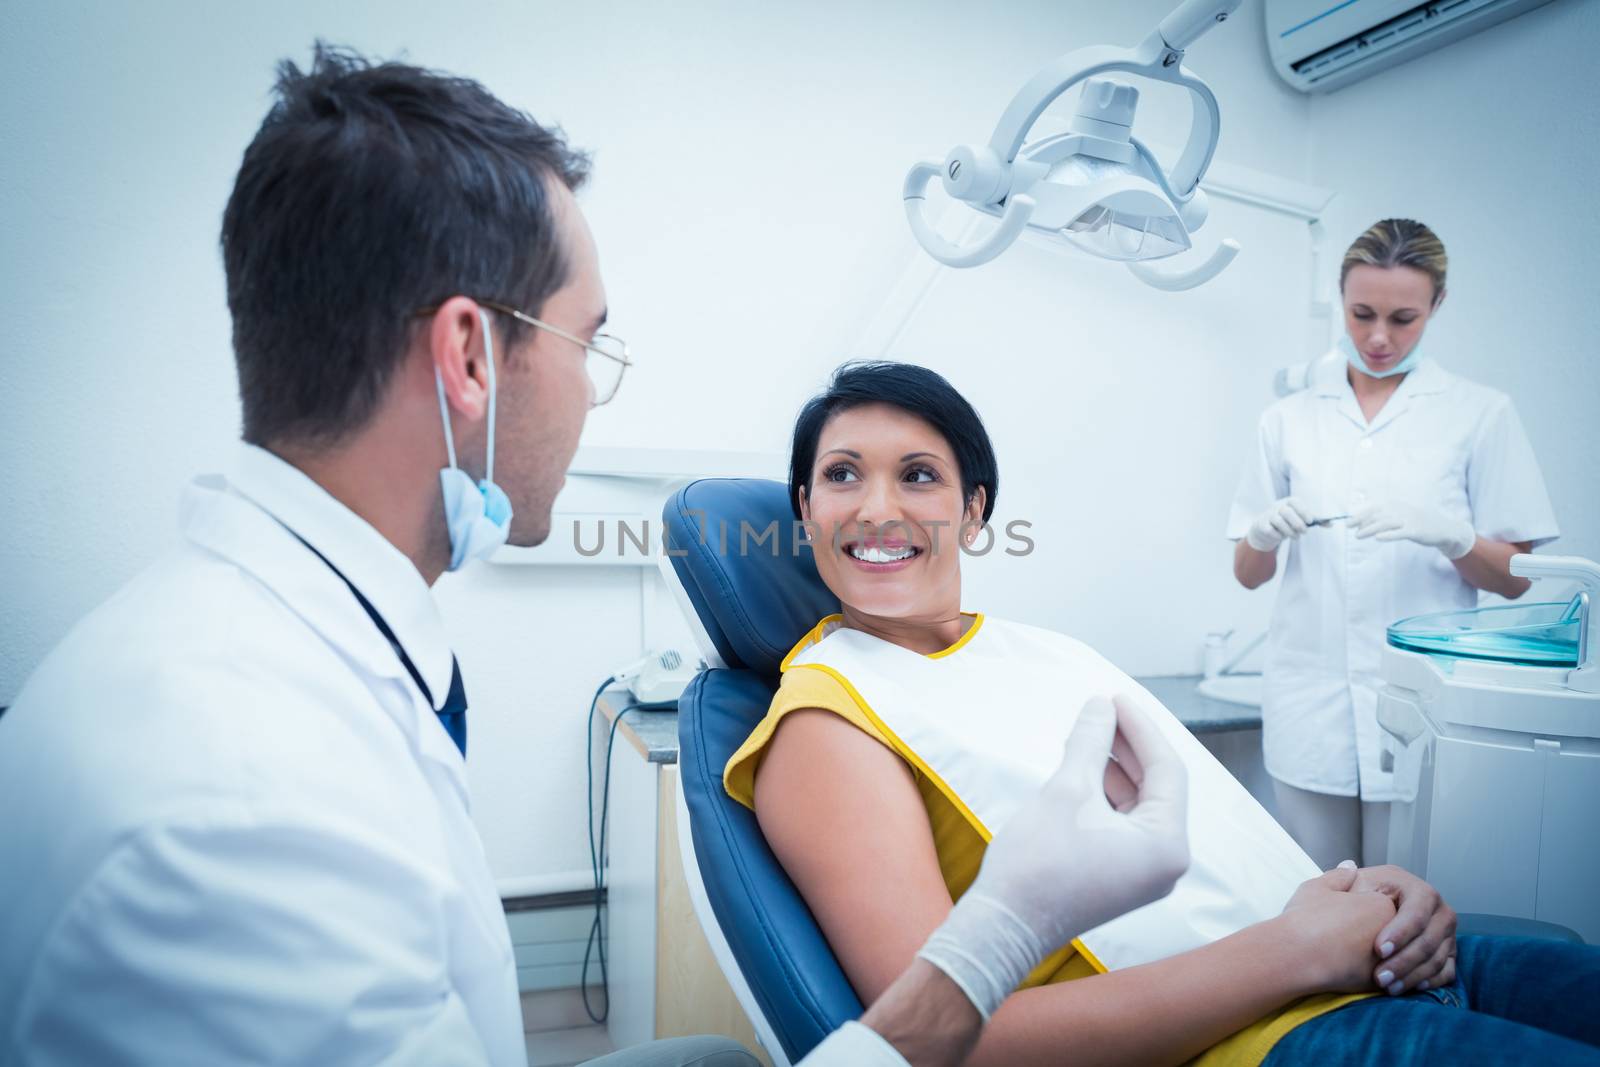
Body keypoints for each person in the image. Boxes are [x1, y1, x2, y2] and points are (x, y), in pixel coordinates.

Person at [0, 46, 1188, 1067]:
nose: (590, 395)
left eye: (921, 477)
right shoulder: (248, 804)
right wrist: (993, 940)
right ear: (469, 354)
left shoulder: (279, 650)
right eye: (588, 340)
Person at [730, 359, 1600, 1067]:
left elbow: (1222, 851)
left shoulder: (1045, 652)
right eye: (841, 475)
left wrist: (1370, 895)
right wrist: (1306, 949)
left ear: (975, 510)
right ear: (805, 509)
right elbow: (936, 1043)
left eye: (918, 475)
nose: (878, 508)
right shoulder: (827, 722)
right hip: (1268, 1036)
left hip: (1364, 961)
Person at [1228, 219, 1560, 870]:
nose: (1379, 337)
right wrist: (1263, 532)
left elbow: (1516, 578)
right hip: (1309, 704)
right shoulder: (1288, 418)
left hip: (1425, 706)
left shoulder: (1478, 413)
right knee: (1313, 901)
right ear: (1342, 299)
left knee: (1406, 911)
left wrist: (1454, 535)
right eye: (1361, 314)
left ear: (1436, 305)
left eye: (1404, 318)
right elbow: (1247, 572)